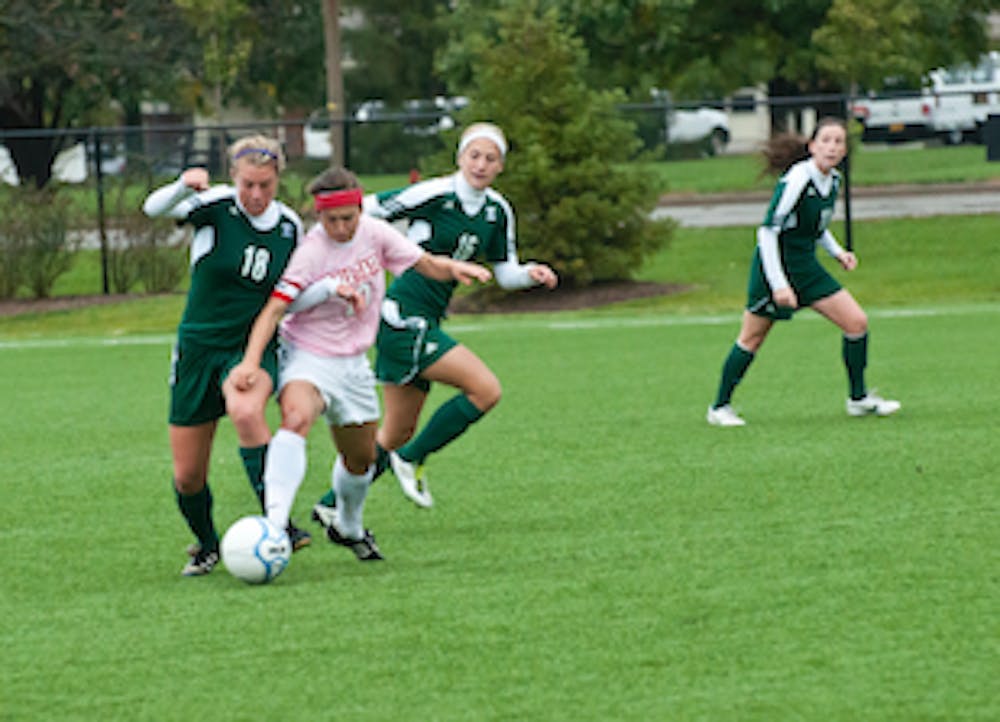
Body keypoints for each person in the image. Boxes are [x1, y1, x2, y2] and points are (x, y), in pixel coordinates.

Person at [229, 167, 491, 561]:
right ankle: (275, 524)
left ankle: (349, 526)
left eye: (347, 218)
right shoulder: (311, 251)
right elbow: (275, 310)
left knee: (361, 459)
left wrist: (453, 268)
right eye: (331, 219)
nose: (340, 227)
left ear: (358, 210)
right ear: (320, 216)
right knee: (296, 418)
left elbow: (423, 263)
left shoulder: (375, 233)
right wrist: (252, 361)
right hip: (308, 356)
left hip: (353, 365)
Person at [310, 121, 559, 519]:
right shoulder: (435, 193)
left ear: (501, 166)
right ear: (460, 158)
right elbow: (365, 209)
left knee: (392, 434)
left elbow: (505, 270)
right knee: (485, 390)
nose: (480, 164)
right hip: (402, 315)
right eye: (473, 155)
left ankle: (328, 507)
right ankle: (411, 460)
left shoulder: (497, 211)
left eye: (490, 158)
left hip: (427, 319)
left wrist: (530, 273)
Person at [143, 134, 312, 577]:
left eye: (266, 186)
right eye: (248, 185)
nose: (256, 195)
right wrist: (183, 185)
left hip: (251, 346)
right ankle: (206, 544)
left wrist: (334, 291)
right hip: (198, 348)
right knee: (187, 476)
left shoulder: (289, 226)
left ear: (278, 180)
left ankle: (279, 524)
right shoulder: (215, 206)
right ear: (234, 178)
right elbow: (153, 209)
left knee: (245, 411)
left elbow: (296, 290)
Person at [706, 117, 901, 427]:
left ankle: (858, 399)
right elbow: (767, 232)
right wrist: (780, 285)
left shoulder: (833, 180)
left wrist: (838, 252)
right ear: (812, 146)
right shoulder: (798, 179)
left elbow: (817, 228)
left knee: (856, 322)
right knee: (752, 338)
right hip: (774, 266)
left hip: (806, 266)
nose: (832, 147)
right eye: (825, 140)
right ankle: (719, 407)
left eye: (839, 142)